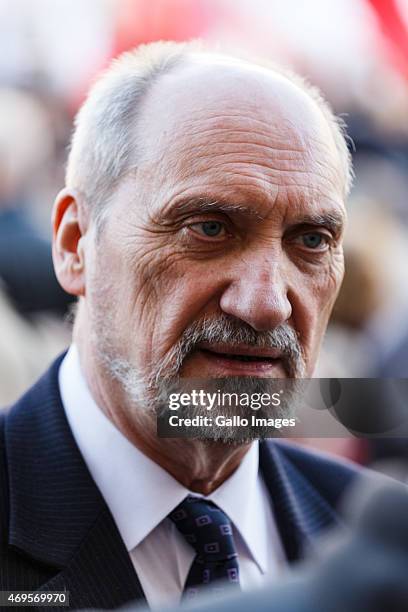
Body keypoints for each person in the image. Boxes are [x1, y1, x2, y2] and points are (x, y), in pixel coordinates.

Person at [0, 41, 365, 610]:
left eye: (312, 240)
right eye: (210, 229)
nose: (266, 304)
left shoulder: (375, 545)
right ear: (76, 244)